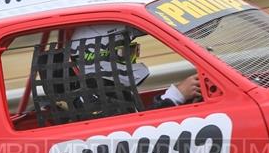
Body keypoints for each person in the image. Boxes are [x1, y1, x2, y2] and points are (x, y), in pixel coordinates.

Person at [69, 24, 200, 109]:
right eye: (124, 53)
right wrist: (175, 96)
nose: (132, 59)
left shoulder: (110, 91)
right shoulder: (95, 102)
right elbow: (140, 133)